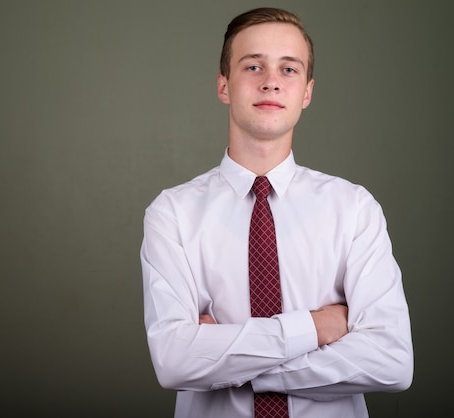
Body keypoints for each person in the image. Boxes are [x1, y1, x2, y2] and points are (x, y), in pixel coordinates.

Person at [140, 7, 413, 418]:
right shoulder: (172, 213)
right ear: (224, 86)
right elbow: (175, 361)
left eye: (289, 69)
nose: (270, 81)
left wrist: (228, 363)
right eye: (253, 66)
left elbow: (392, 362)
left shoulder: (354, 208)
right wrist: (316, 329)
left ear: (306, 91)